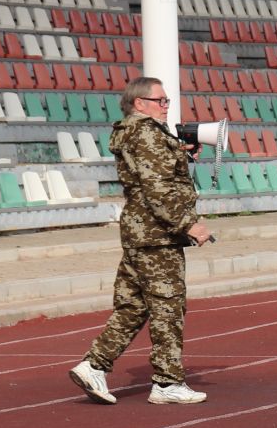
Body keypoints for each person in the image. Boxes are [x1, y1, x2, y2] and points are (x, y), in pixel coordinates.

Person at [69, 77, 213, 405]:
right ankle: (167, 382)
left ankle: (93, 366)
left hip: (139, 231)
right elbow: (158, 187)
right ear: (140, 103)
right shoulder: (147, 132)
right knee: (168, 306)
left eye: (166, 100)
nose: (166, 106)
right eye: (160, 100)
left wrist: (181, 153)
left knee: (133, 306)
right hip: (157, 235)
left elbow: (150, 173)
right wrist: (188, 224)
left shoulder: (131, 132)